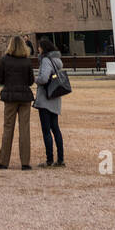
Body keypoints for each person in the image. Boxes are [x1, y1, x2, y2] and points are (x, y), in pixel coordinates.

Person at [0, 34, 34, 170]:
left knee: (8, 128)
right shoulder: (27, 61)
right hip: (25, 97)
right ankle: (25, 162)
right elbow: (31, 81)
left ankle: (3, 161)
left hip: (10, 97)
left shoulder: (5, 60)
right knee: (24, 129)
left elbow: (0, 79)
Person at [33, 36, 65, 167]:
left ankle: (49, 159)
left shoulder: (46, 60)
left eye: (39, 47)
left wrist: (35, 78)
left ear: (43, 48)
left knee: (46, 130)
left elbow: (44, 78)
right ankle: (61, 158)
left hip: (45, 99)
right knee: (55, 129)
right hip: (55, 97)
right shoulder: (57, 60)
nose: (38, 49)